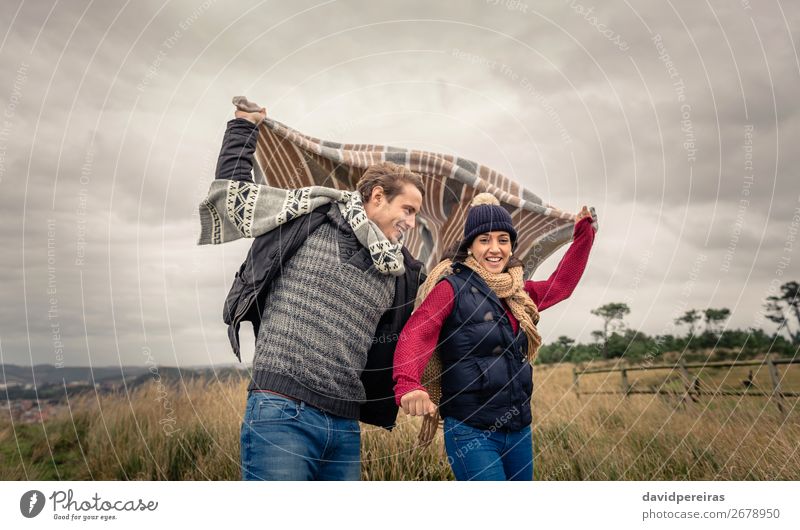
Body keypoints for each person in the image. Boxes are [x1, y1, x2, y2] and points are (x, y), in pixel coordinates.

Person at [213, 98, 426, 480]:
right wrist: (243, 127)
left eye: (416, 214)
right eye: (407, 209)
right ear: (377, 196)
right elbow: (235, 198)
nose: (411, 222)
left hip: (344, 427)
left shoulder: (401, 273)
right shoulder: (309, 219)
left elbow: (446, 302)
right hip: (281, 411)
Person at [392, 193, 595, 480]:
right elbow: (417, 332)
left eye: (503, 239)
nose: (495, 248)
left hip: (519, 431)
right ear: (470, 246)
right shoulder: (451, 288)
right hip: (471, 432)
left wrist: (583, 237)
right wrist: (408, 383)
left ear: (512, 246)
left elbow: (560, 285)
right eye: (484, 239)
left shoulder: (518, 293)